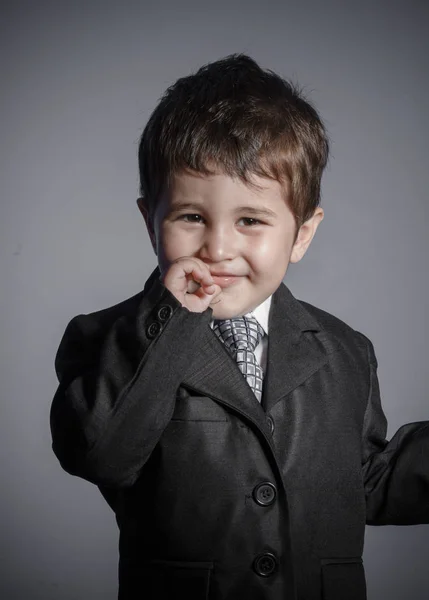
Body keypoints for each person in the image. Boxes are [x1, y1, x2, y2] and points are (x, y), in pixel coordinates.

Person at [49, 54, 429, 600]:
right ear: (149, 222)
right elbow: (103, 453)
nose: (218, 248)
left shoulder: (346, 351)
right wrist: (173, 320)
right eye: (191, 217)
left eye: (250, 220)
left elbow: (362, 480)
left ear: (302, 234)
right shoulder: (106, 339)